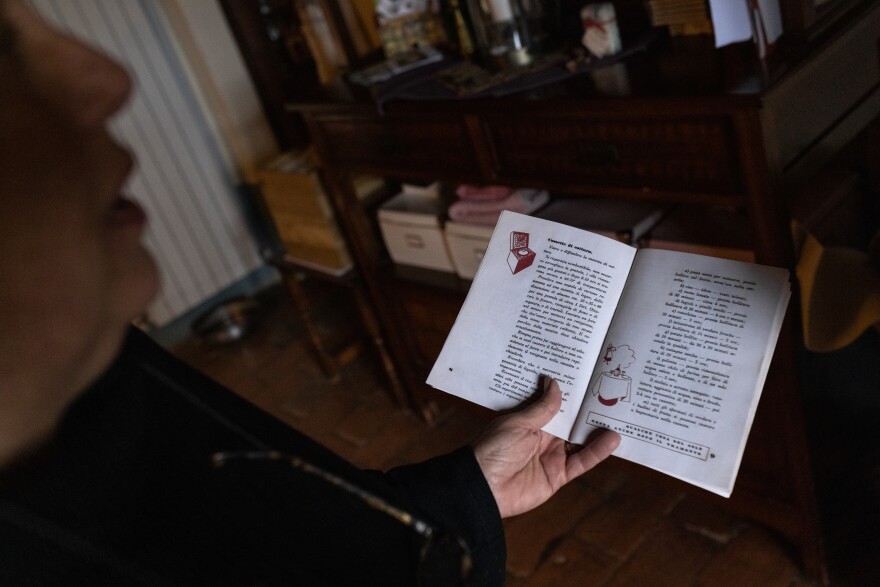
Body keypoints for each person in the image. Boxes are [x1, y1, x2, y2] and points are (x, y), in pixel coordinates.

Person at [0, 1, 621, 584]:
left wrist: (470, 495)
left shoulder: (93, 377)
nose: (109, 79)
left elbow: (300, 535)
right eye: (4, 49)